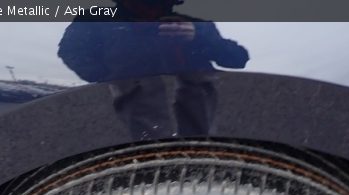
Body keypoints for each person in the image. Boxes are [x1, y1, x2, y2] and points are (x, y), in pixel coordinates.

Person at [58, 0, 249, 139]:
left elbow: (238, 58)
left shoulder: (193, 25)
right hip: (127, 120)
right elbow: (71, 51)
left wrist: (199, 37)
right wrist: (112, 81)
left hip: (197, 122)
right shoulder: (96, 18)